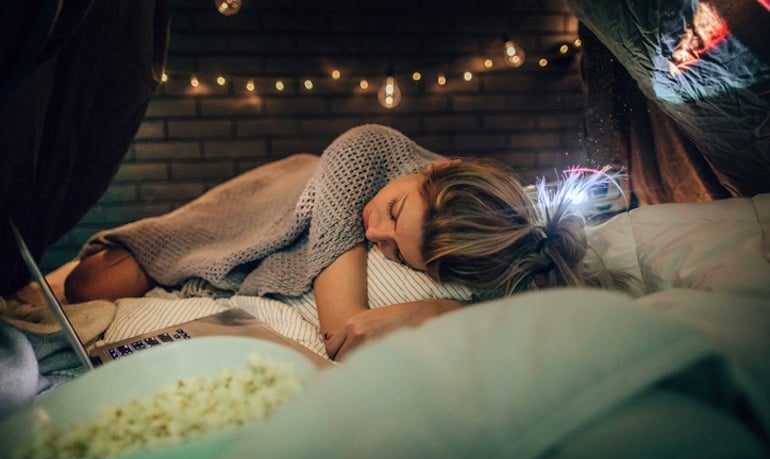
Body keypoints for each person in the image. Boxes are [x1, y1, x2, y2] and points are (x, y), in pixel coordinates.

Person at [60, 124, 637, 360]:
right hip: (285, 191)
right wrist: (434, 312)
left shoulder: (484, 236)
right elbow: (345, 328)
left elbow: (550, 290)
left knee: (93, 287)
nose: (376, 233)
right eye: (394, 210)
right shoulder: (367, 150)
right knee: (92, 281)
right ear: (440, 168)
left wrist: (439, 306)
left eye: (394, 251)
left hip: (304, 214)